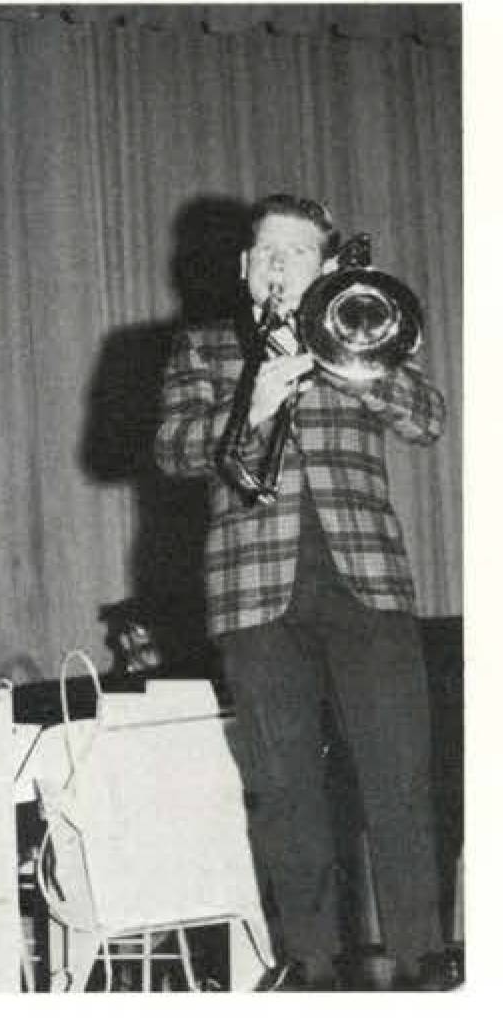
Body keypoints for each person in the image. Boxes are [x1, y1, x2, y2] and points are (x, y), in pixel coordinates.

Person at [153, 193, 451, 990]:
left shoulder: (362, 324)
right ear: (246, 267)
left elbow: (427, 420)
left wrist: (349, 368)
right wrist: (247, 406)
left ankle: (424, 951)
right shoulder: (205, 346)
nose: (280, 264)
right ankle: (309, 961)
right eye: (267, 252)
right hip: (253, 590)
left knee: (398, 772)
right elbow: (172, 448)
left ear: (325, 267)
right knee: (283, 786)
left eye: (296, 252)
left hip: (366, 579)